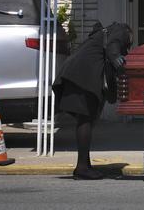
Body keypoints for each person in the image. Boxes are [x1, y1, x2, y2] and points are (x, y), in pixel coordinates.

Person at [52, 21, 132, 180]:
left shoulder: (104, 33)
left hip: (77, 74)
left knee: (87, 119)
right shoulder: (121, 30)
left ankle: (84, 165)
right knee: (85, 119)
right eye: (130, 41)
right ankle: (82, 168)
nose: (129, 44)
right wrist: (119, 60)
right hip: (82, 76)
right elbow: (113, 48)